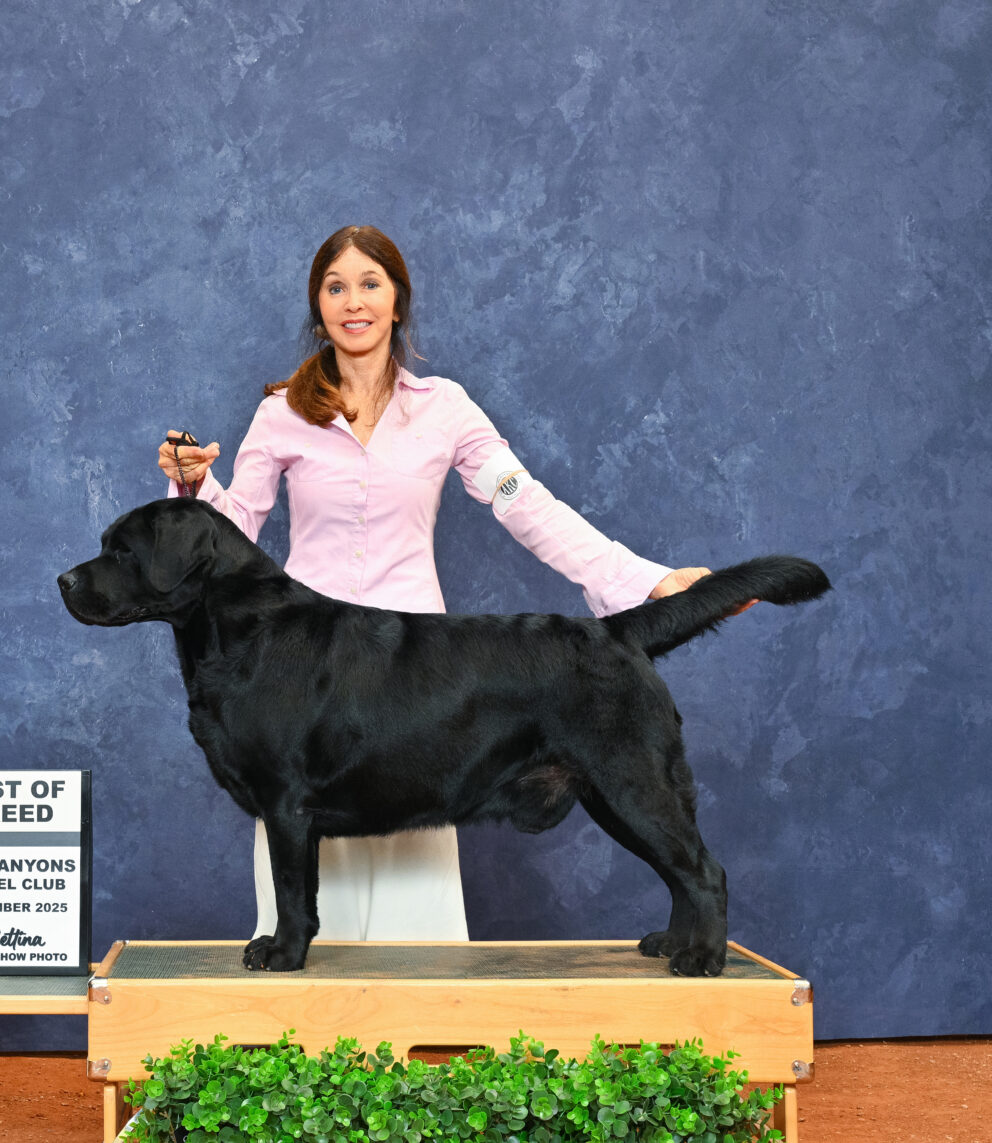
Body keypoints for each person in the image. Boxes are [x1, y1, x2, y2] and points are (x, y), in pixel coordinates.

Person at [156, 225, 715, 942]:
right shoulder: (283, 411)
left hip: (414, 684)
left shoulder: (446, 408)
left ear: (397, 301)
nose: (352, 301)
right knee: (296, 837)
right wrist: (197, 486)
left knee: (413, 894)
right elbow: (234, 533)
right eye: (335, 287)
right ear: (316, 305)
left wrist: (647, 582)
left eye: (369, 284)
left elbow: (528, 507)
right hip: (304, 682)